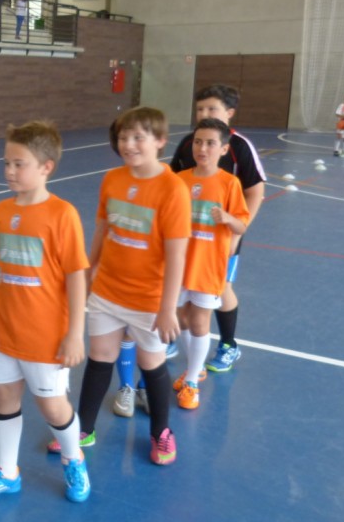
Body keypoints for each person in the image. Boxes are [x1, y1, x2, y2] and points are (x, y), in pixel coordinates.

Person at [0, 121, 91, 504]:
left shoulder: (62, 215)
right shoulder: (1, 210)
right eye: (7, 163)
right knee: (3, 400)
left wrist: (74, 333)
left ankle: (74, 458)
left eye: (19, 164)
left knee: (53, 407)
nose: (9, 171)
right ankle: (7, 473)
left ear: (46, 167)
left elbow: (75, 277)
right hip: (3, 332)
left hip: (45, 337)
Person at [67, 107, 190, 466]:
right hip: (108, 291)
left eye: (139, 137)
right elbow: (103, 230)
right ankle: (83, 429)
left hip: (148, 299)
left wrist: (167, 308)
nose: (129, 144)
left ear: (160, 141)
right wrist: (89, 273)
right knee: (100, 357)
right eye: (123, 137)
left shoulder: (172, 190)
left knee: (151, 364)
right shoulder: (113, 178)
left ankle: (161, 433)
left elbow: (177, 256)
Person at [168, 84, 265, 374]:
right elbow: (174, 184)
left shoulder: (239, 147)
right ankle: (183, 338)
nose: (204, 113)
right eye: (200, 109)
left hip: (225, 231)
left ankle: (228, 344)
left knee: (222, 288)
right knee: (183, 287)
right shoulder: (189, 143)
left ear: (230, 113)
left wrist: (237, 232)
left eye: (212, 109)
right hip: (190, 234)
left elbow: (255, 192)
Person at [173, 118, 250, 410]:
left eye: (209, 143)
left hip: (208, 266)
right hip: (179, 265)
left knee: (200, 321)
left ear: (223, 149)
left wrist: (228, 219)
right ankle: (197, 366)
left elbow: (241, 225)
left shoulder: (229, 183)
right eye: (197, 142)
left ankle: (191, 381)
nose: (202, 148)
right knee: (179, 320)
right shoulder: (179, 180)